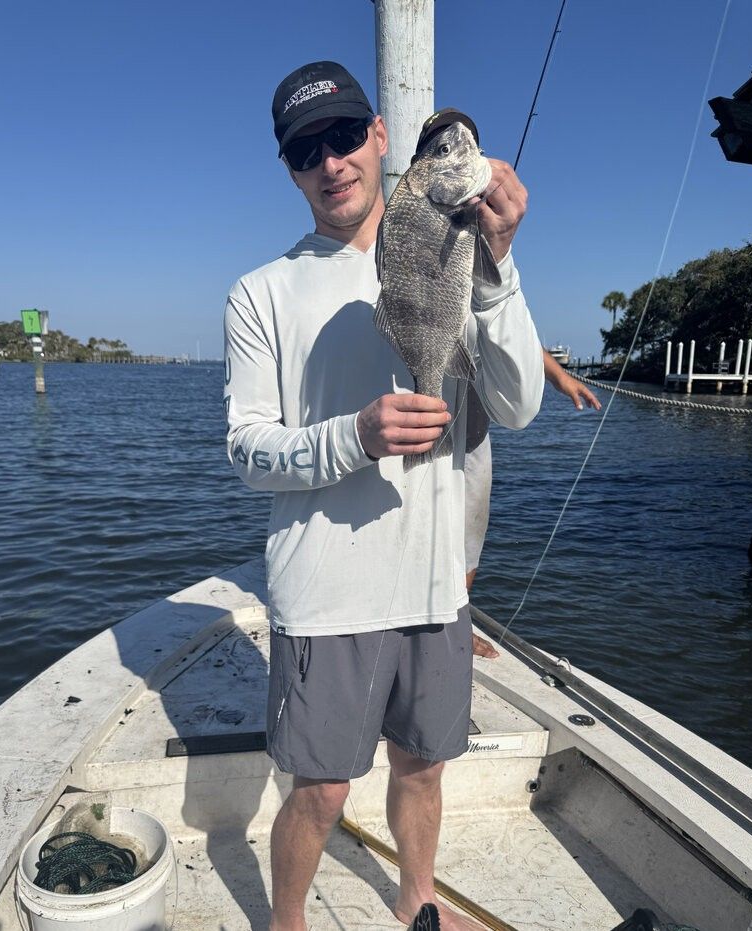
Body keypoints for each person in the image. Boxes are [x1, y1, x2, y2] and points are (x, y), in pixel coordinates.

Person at [224, 61, 544, 931]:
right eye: (306, 151)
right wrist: (354, 436)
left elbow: (518, 405)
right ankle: (287, 921)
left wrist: (499, 265)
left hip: (436, 586)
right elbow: (248, 448)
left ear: (379, 138)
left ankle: (417, 898)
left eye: (343, 137)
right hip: (327, 592)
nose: (330, 163)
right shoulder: (260, 292)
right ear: (290, 170)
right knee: (322, 789)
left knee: (423, 765)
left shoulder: (457, 250)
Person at [466, 355, 600, 660]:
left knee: (469, 538)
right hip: (415, 424)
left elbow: (514, 331)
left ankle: (456, 621)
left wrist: (558, 376)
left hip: (472, 435)